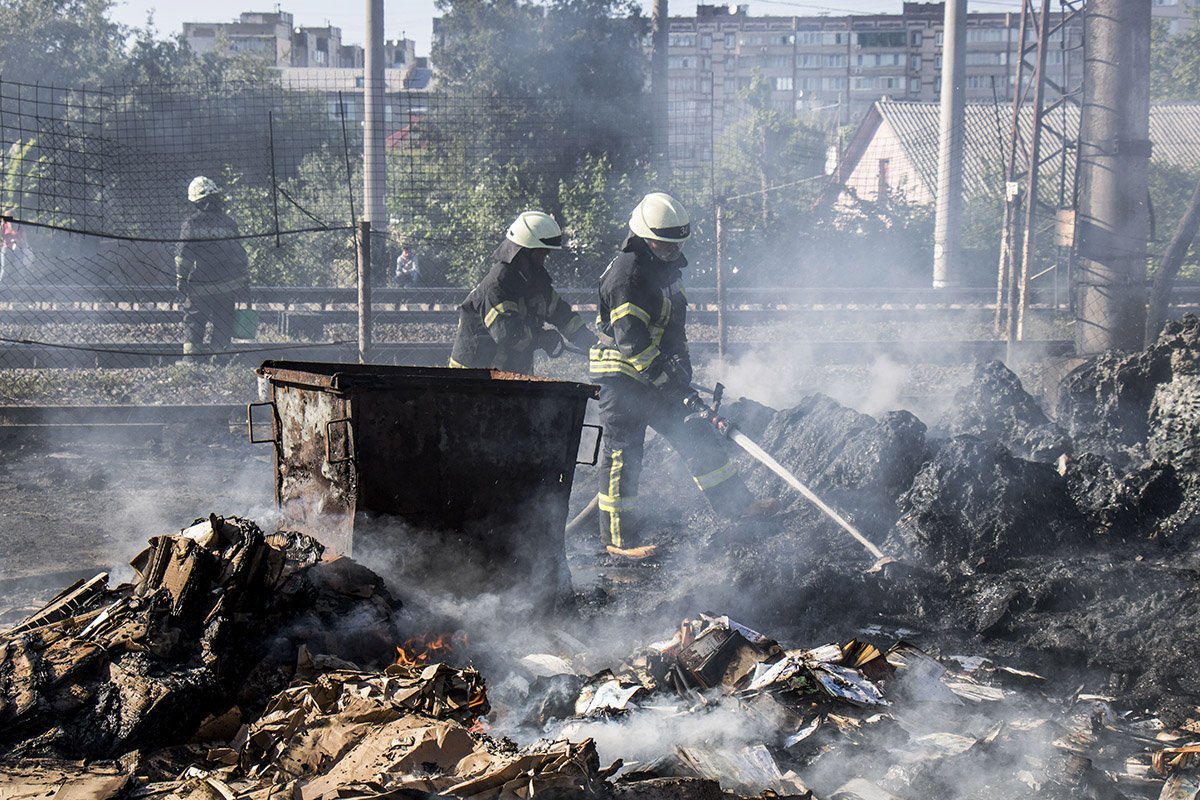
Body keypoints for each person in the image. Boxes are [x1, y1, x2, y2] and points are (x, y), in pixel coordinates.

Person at [590, 192, 759, 560]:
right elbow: (632, 343)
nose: (671, 250)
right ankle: (619, 541)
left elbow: (673, 326)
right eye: (663, 243)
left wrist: (681, 368)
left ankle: (737, 506)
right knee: (623, 457)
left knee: (695, 432)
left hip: (657, 376)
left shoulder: (665, 270)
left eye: (676, 243)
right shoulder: (627, 276)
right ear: (643, 237)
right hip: (623, 379)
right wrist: (671, 385)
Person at [449, 210, 597, 373]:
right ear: (525, 250)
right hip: (473, 376)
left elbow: (562, 315)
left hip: (508, 374)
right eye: (543, 250)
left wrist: (592, 344)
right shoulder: (498, 285)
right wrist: (542, 338)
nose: (547, 254)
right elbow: (508, 334)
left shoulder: (535, 280)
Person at [174, 176, 249, 361]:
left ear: (195, 201)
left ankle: (192, 361)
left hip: (200, 285)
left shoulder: (191, 224)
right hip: (227, 284)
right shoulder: (229, 223)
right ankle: (221, 359)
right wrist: (243, 280)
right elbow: (239, 255)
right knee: (224, 320)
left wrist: (181, 279)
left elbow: (183, 256)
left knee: (194, 320)